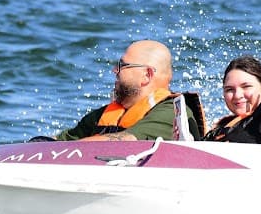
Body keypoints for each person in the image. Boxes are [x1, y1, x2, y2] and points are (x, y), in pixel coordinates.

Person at [53, 40, 202, 141]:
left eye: (122, 66)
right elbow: (62, 141)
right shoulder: (105, 115)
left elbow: (126, 141)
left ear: (146, 75)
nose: (114, 70)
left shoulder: (172, 113)